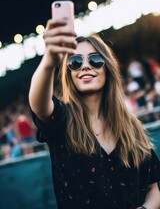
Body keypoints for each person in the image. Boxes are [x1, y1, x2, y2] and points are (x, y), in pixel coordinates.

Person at [28, 17, 160, 209]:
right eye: (75, 61)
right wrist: (49, 61)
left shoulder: (132, 128)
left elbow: (153, 190)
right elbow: (38, 104)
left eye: (96, 60)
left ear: (108, 69)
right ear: (69, 73)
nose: (85, 66)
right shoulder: (62, 119)